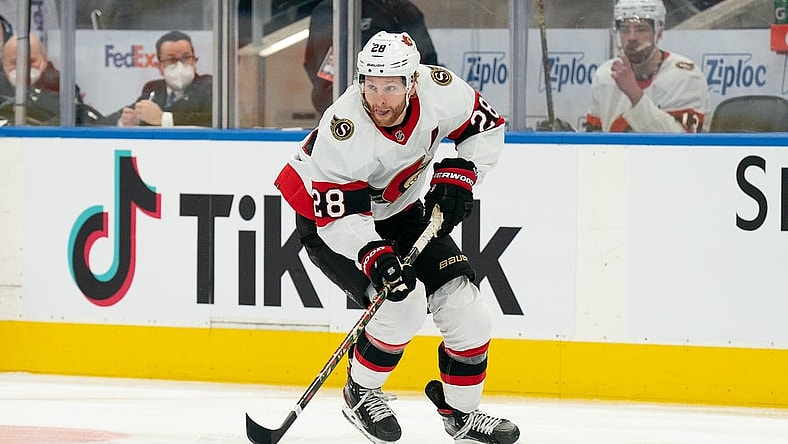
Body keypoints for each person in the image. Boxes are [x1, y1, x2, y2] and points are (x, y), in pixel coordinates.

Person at [274, 31, 520, 444]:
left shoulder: (441, 90)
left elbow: (486, 127)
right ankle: (361, 391)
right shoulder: (344, 127)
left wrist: (463, 171)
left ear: (412, 81)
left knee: (466, 309)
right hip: (329, 223)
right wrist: (374, 254)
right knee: (399, 306)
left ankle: (461, 414)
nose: (379, 99)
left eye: (390, 87)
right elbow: (340, 219)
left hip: (402, 212)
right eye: (371, 86)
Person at [586, 0, 708, 132]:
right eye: (625, 29)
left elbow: (684, 143)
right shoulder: (605, 75)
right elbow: (594, 139)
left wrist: (635, 94)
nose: (631, 37)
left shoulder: (685, 76)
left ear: (658, 32)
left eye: (641, 29)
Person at [304, 0, 439, 114]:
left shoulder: (400, 10)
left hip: (391, 118)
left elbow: (424, 64)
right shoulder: (325, 11)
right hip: (334, 110)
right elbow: (312, 62)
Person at [102, 30, 211, 127]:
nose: (179, 65)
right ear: (159, 67)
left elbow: (212, 119)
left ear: (195, 61)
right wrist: (125, 121)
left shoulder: (209, 86)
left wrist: (164, 119)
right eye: (170, 60)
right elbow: (109, 120)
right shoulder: (154, 89)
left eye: (185, 58)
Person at [0, 33, 99, 125]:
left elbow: (76, 119)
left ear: (44, 60)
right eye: (15, 62)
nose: (23, 68)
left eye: (31, 61)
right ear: (3, 63)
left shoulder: (63, 86)